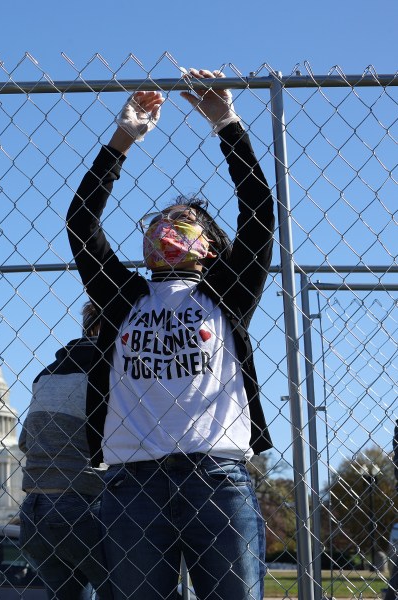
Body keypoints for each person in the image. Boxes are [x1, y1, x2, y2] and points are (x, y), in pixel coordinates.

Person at [65, 69, 275, 600]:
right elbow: (81, 223)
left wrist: (226, 122)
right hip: (133, 485)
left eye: (184, 221)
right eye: (162, 218)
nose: (168, 225)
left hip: (217, 479)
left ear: (208, 248)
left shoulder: (225, 294)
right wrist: (121, 141)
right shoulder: (123, 298)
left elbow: (259, 214)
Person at [18, 301, 114, 600]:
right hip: (84, 504)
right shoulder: (112, 372)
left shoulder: (45, 376)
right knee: (138, 589)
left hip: (34, 511)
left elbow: (24, 442)